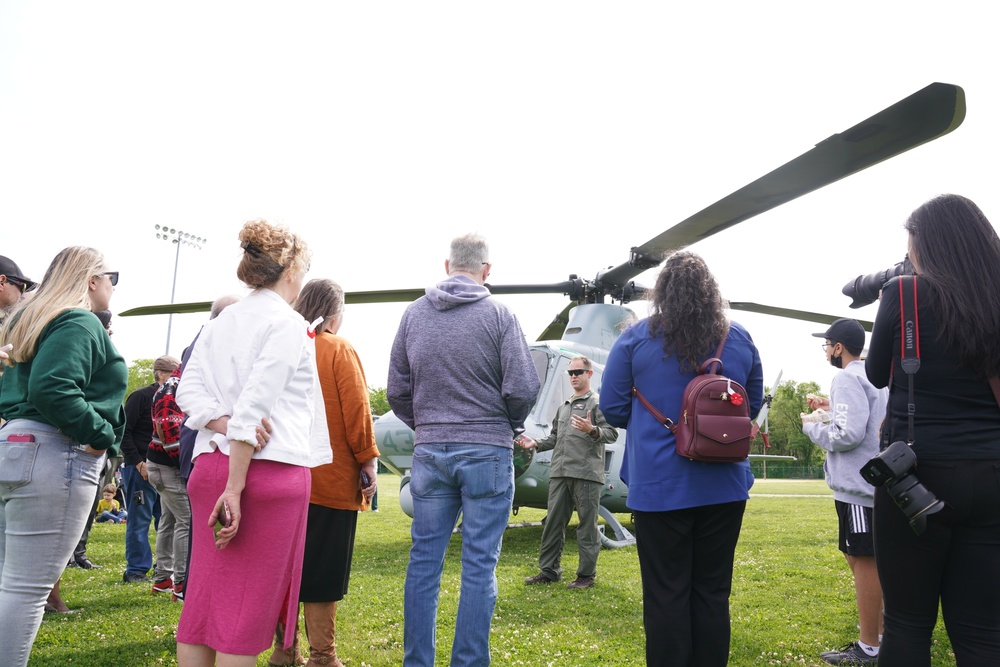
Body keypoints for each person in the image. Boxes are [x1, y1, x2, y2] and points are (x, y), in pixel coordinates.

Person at [175, 219, 331, 667]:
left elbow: (190, 393)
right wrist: (235, 488)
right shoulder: (286, 324)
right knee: (243, 615)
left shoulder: (220, 323)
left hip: (211, 468)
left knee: (203, 607)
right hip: (263, 476)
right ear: (293, 269)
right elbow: (253, 408)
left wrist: (219, 424)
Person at [599, 251, 763, 667]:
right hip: (725, 485)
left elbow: (613, 409)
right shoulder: (738, 337)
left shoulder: (636, 338)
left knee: (665, 596)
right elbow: (752, 405)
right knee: (712, 593)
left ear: (661, 293)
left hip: (659, 486)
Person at [387, 233, 540, 667]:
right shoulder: (499, 314)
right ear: (487, 270)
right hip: (487, 451)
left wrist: (428, 424)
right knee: (478, 565)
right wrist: (508, 423)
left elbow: (397, 389)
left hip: (430, 451)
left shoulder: (414, 315)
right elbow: (524, 386)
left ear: (447, 265)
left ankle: (417, 661)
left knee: (423, 564)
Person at [865, 194, 1000, 667]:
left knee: (906, 625)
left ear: (927, 245)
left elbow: (879, 373)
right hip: (990, 474)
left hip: (915, 475)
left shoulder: (904, 294)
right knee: (984, 632)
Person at [0, 247, 126, 667]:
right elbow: (53, 388)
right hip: (54, 451)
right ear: (92, 280)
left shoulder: (33, 319)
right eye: (112, 277)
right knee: (25, 590)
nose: (113, 286)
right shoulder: (79, 319)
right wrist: (101, 434)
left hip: (15, 445)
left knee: (10, 585)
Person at [267, 278, 380, 667]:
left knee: (285, 569)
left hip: (280, 477)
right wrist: (368, 458)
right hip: (329, 479)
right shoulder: (337, 348)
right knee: (323, 571)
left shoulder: (281, 345)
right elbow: (357, 413)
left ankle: (284, 652)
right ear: (335, 312)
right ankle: (322, 656)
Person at [800, 318, 886, 665]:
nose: (826, 352)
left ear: (838, 347)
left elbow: (847, 436)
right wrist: (830, 410)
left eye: (827, 346)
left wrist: (811, 428)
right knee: (867, 559)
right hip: (878, 484)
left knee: (864, 561)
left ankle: (870, 646)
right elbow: (865, 424)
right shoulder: (874, 376)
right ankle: (882, 635)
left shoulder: (847, 377)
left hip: (858, 487)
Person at [520, 355, 618, 589]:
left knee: (586, 526)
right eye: (571, 373)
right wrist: (535, 443)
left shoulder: (597, 403)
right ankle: (549, 571)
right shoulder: (564, 407)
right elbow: (555, 437)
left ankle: (586, 576)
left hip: (585, 474)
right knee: (553, 524)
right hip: (560, 473)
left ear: (589, 374)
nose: (574, 376)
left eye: (578, 372)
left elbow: (611, 433)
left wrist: (592, 429)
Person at [121, 355, 180, 584]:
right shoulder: (141, 397)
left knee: (165, 519)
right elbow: (123, 433)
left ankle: (163, 567)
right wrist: (138, 462)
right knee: (139, 520)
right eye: (173, 374)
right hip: (139, 468)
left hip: (164, 468)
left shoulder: (174, 398)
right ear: (160, 373)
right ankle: (136, 569)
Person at [148, 360, 191, 601]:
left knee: (169, 520)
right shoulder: (174, 389)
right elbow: (169, 429)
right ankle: (182, 583)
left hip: (160, 462)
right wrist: (182, 465)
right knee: (186, 520)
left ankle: (163, 578)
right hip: (168, 464)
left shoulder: (171, 385)